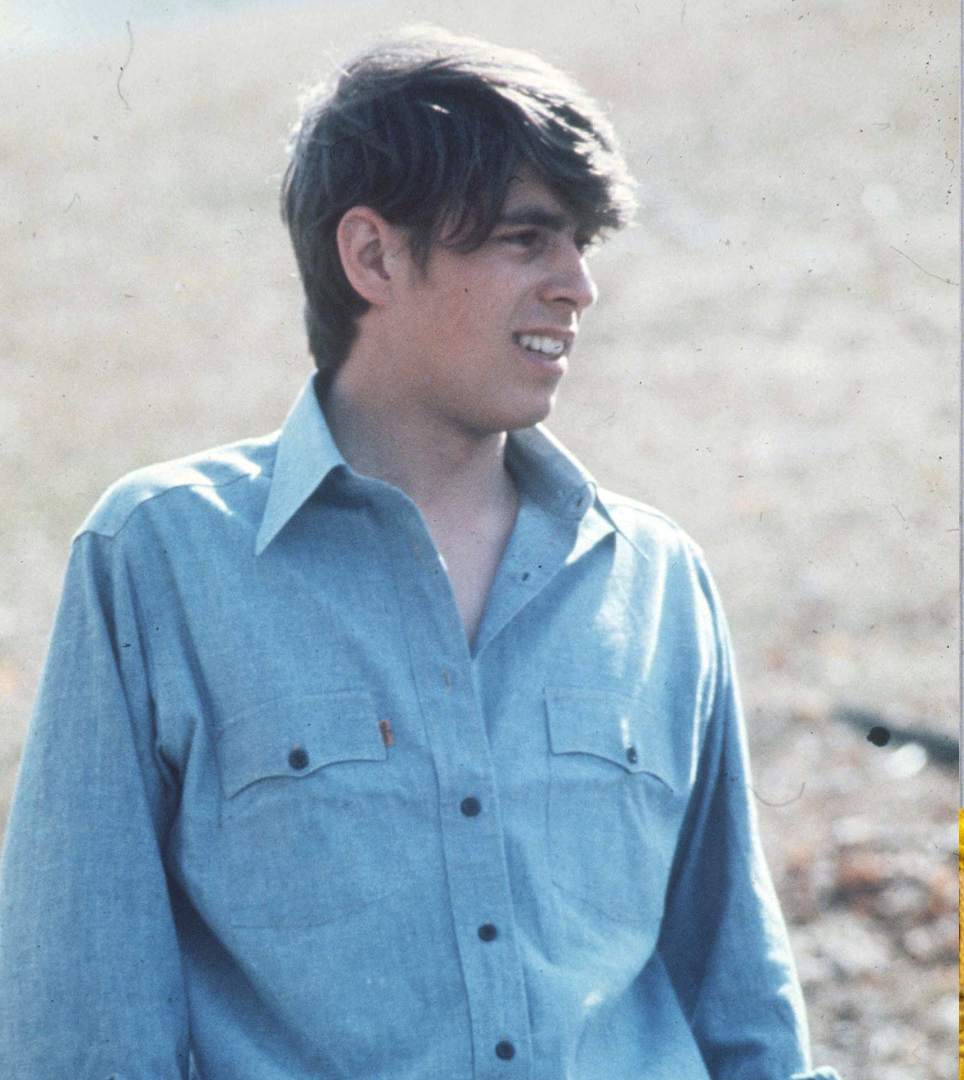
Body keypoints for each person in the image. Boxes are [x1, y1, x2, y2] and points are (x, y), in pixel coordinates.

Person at [0, 29, 835, 1079]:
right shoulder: (160, 559)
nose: (577, 285)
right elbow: (82, 1021)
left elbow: (740, 1001)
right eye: (526, 239)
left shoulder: (659, 582)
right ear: (372, 256)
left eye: (581, 244)